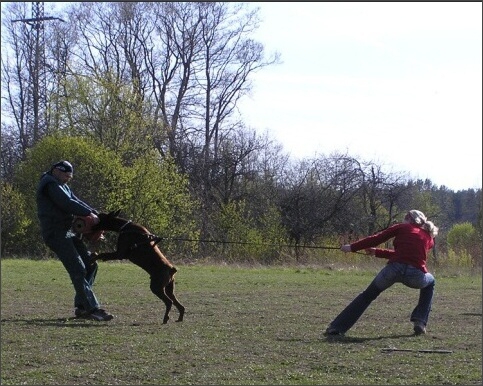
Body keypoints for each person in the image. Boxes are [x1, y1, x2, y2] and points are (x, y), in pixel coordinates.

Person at [324, 209, 439, 336]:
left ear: (410, 218)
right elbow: (407, 255)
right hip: (416, 276)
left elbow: (376, 239)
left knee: (367, 296)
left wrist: (351, 247)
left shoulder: (401, 227)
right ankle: (420, 322)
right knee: (431, 281)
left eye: (405, 217)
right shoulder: (429, 237)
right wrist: (377, 252)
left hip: (393, 270)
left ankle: (336, 328)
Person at [36, 160, 113, 321]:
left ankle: (82, 306)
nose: (67, 179)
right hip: (55, 234)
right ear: (57, 171)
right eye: (65, 176)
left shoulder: (61, 185)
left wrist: (94, 213)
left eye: (69, 177)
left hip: (68, 232)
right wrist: (89, 214)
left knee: (90, 264)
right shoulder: (50, 184)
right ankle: (92, 309)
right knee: (78, 269)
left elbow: (76, 200)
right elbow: (67, 203)